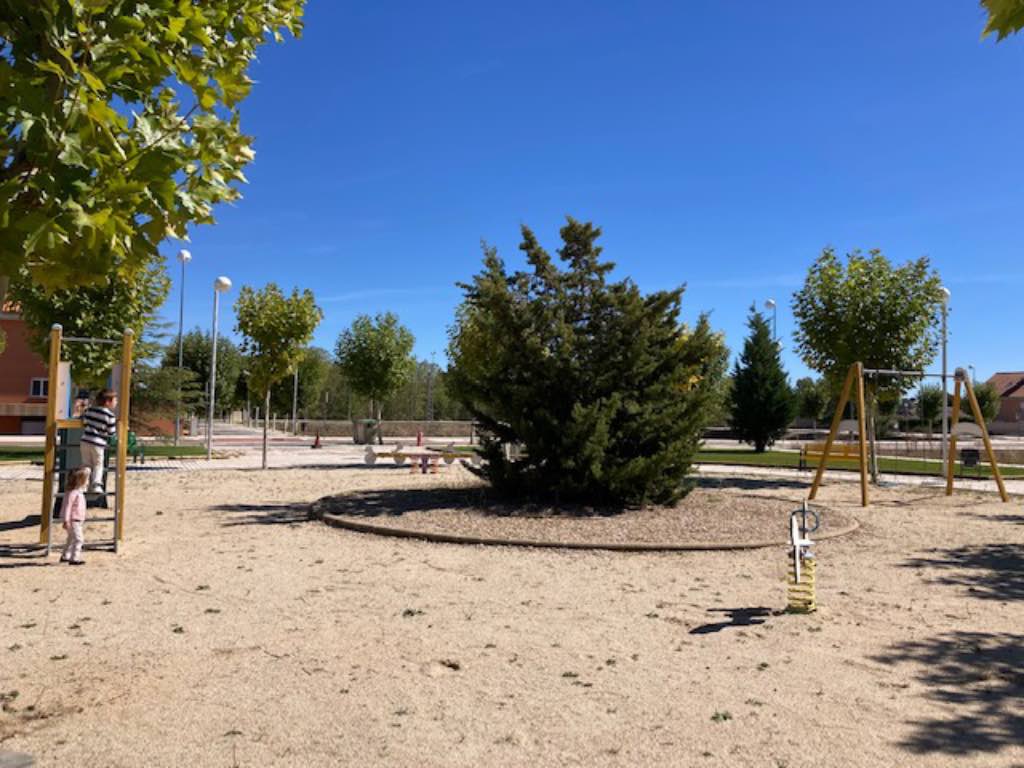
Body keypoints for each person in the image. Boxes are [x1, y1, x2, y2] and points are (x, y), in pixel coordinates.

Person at [80, 389, 118, 494]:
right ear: (107, 402)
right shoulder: (110, 416)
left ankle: (83, 484)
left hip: (85, 440)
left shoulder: (90, 410)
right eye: (115, 400)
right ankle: (96, 485)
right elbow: (111, 432)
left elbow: (84, 421)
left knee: (86, 464)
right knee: (98, 464)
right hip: (98, 443)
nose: (116, 402)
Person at [60, 466, 90, 565]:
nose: (87, 482)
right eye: (86, 480)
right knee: (79, 539)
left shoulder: (79, 492)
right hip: (73, 520)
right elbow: (67, 507)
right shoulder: (73, 493)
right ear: (80, 481)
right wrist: (66, 520)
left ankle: (65, 555)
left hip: (77, 520)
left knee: (71, 538)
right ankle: (74, 558)